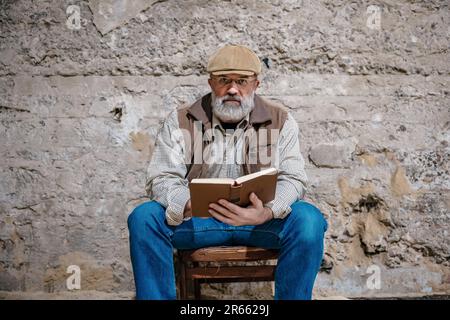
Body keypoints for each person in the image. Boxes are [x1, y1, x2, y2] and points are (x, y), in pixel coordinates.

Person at [127, 44, 328, 300]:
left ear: (256, 84)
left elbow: (294, 178)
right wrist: (186, 203)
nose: (232, 89)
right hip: (199, 221)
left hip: (259, 222)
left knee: (309, 219)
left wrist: (266, 212)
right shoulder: (180, 121)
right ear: (211, 83)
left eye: (242, 81)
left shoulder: (281, 120)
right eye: (224, 80)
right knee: (144, 217)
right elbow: (162, 177)